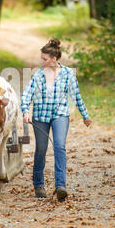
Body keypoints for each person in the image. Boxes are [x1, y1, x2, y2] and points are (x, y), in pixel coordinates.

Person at [21, 38, 92, 202]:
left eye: (45, 59)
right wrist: (25, 111)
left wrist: (85, 116)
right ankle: (38, 184)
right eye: (42, 58)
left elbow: (76, 96)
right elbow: (26, 95)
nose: (42, 61)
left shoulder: (67, 74)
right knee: (41, 148)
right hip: (40, 117)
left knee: (59, 145)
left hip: (60, 115)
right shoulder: (38, 75)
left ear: (54, 59)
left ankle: (61, 186)